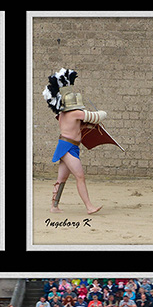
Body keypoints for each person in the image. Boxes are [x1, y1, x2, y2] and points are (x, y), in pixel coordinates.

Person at [42, 68, 105, 214]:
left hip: (68, 146)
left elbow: (76, 126)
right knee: (80, 176)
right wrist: (99, 116)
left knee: (61, 178)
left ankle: (54, 206)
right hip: (67, 147)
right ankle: (89, 206)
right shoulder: (76, 113)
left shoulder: (63, 114)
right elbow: (98, 116)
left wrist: (86, 125)